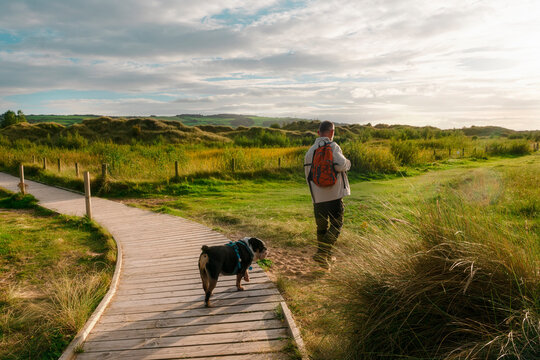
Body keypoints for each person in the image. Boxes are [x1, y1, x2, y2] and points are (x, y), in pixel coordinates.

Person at [304, 120, 351, 268]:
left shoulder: (309, 152)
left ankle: (325, 257)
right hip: (334, 196)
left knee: (322, 228)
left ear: (318, 133)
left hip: (317, 198)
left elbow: (308, 175)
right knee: (337, 225)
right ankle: (322, 253)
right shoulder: (333, 146)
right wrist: (348, 163)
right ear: (331, 132)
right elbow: (342, 165)